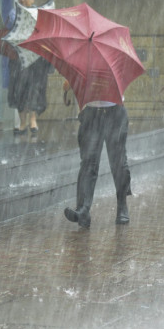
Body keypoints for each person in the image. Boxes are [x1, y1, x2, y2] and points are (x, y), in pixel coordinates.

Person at [62, 80, 132, 228]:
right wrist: (71, 83)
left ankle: (122, 205)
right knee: (88, 163)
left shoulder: (114, 59)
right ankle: (83, 210)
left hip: (115, 112)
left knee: (118, 163)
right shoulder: (85, 59)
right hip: (91, 114)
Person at [6, 0, 53, 135]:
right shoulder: (13, 14)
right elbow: (9, 30)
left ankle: (33, 120)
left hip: (37, 60)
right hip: (19, 59)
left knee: (35, 89)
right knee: (19, 89)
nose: (22, 0)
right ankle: (22, 123)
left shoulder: (40, 14)